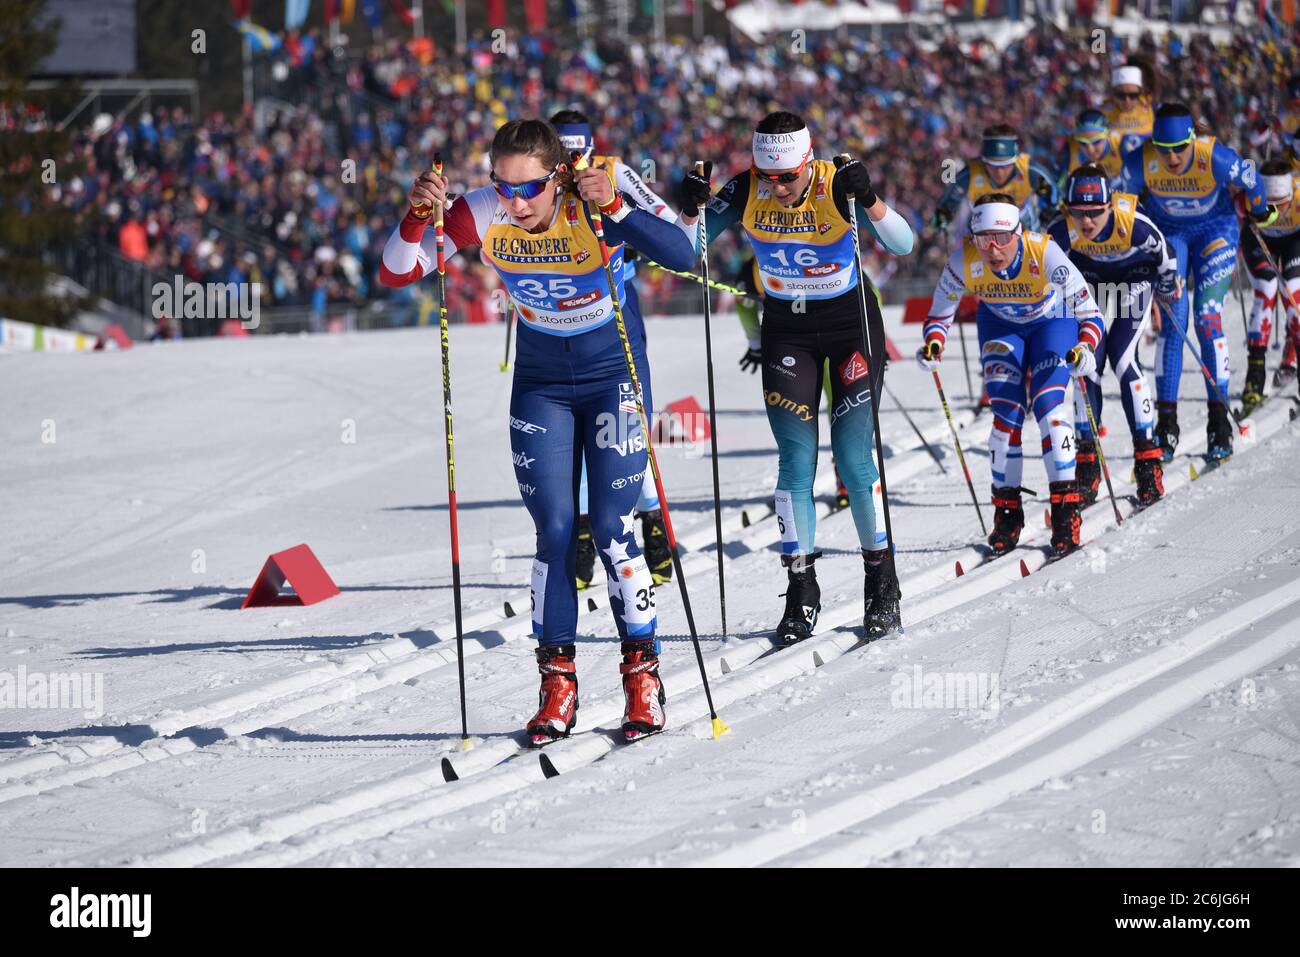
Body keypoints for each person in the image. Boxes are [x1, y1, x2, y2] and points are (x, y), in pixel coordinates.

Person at [379, 119, 696, 744]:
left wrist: (615, 207)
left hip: (613, 376)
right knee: (553, 534)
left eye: (529, 188)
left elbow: (685, 256)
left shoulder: (593, 199)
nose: (516, 202)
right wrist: (417, 216)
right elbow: (399, 271)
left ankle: (642, 674)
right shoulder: (486, 210)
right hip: (542, 382)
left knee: (610, 526)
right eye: (504, 186)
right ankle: (557, 685)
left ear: (558, 175)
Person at [677, 111, 915, 642]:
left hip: (850, 323)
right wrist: (691, 208)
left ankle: (881, 582)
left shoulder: (838, 183)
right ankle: (802, 587)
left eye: (788, 176)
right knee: (795, 461)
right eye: (770, 177)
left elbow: (903, 245)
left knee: (853, 459)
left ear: (808, 162)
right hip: (788, 326)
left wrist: (872, 200)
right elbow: (684, 250)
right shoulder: (745, 188)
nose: (778, 188)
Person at [918, 193, 1105, 557]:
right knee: (1005, 418)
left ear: (1018, 234)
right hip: (1001, 328)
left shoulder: (1044, 252)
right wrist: (934, 344)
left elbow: (1090, 312)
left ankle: (1066, 512)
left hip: (1052, 323)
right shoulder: (963, 261)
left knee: (1052, 411)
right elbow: (939, 314)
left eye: (1001, 237)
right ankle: (1007, 513)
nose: (992, 248)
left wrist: (1084, 348)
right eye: (982, 238)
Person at [549, 109, 677, 591]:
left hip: (617, 313)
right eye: (563, 156)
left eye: (579, 153)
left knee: (624, 421)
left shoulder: (614, 170)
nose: (572, 166)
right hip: (559, 321)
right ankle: (582, 531)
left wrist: (623, 210)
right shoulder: (537, 182)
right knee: (572, 429)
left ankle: (651, 519)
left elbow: (667, 226)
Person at [1120, 103, 1272, 462]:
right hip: (1170, 232)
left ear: (1192, 140)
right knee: (1174, 322)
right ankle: (1166, 425)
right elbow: (1117, 199)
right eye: (1164, 150)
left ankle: (1219, 422)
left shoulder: (1212, 156)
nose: (1172, 159)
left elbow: (1252, 177)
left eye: (1179, 149)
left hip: (1214, 230)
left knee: (1207, 317)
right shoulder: (1141, 160)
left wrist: (1261, 207)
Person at [1047, 165, 1179, 507]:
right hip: (1088, 284)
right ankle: (1088, 462)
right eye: (1078, 213)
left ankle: (1148, 461)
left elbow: (1165, 256)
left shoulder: (1132, 222)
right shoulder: (1060, 231)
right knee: (1085, 364)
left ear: (1109, 205)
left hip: (1133, 278)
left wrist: (1166, 288)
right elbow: (1042, 268)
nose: (1087, 222)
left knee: (1123, 359)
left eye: (1095, 213)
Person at [1240, 159, 1300, 413]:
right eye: (1269, 206)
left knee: (1294, 294)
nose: (1275, 212)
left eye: (1281, 205)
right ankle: (1255, 377)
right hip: (1258, 239)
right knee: (1265, 291)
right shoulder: (1248, 195)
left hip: (1294, 242)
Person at [932, 123, 1059, 236]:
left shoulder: (1031, 171)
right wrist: (943, 217)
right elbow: (947, 203)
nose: (999, 172)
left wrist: (1049, 209)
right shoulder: (969, 175)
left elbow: (1055, 198)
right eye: (992, 165)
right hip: (981, 227)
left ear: (1015, 159)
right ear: (983, 161)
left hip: (1024, 223)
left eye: (1005, 165)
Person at [1061, 109, 1125, 189]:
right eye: (1083, 142)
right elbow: (1060, 185)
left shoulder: (1120, 144)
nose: (1090, 149)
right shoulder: (1071, 149)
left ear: (1107, 135)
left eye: (1096, 141)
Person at [1103, 59, 1156, 155]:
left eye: (1133, 95)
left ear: (1141, 92)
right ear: (1113, 94)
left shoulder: (1150, 107)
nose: (1127, 101)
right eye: (1121, 95)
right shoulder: (1103, 112)